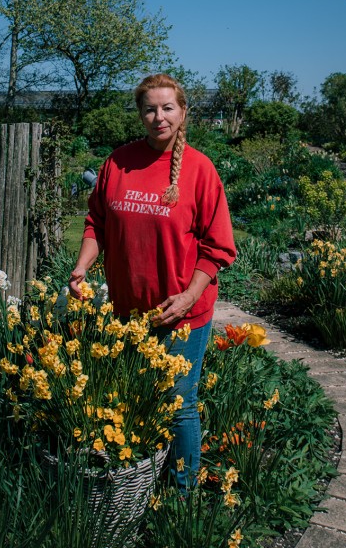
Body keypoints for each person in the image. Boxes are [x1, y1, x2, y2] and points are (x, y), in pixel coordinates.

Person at [69, 73, 236, 490]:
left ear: (181, 113)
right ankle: (141, 488)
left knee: (180, 406)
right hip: (127, 312)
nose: (158, 117)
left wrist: (189, 296)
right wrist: (82, 266)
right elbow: (97, 223)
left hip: (180, 313)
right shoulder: (118, 162)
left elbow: (218, 247)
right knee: (137, 400)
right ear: (140, 113)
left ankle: (182, 499)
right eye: (150, 108)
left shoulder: (200, 170)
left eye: (167, 108)